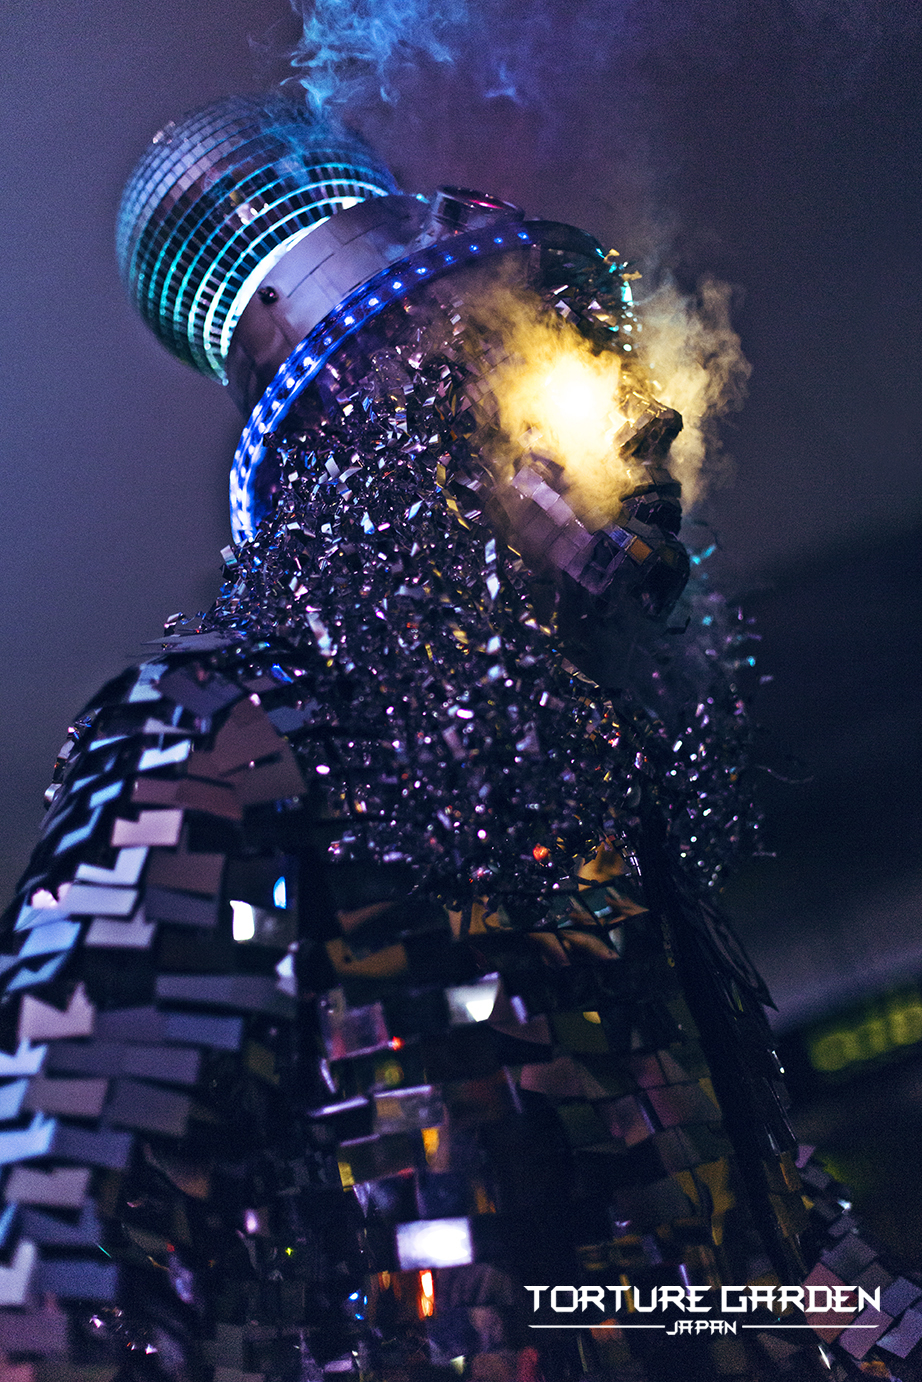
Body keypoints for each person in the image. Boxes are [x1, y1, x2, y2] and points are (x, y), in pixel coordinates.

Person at [0, 95, 912, 1382]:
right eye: (572, 366)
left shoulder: (581, 806)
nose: (651, 414)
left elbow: (735, 1262)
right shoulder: (217, 739)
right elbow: (53, 1273)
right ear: (417, 435)